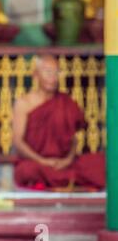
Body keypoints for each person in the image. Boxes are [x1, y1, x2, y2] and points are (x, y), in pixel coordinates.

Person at [12, 54, 105, 191]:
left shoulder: (65, 102)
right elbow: (18, 142)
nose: (53, 77)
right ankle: (66, 181)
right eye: (48, 72)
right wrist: (42, 161)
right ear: (36, 75)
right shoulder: (24, 103)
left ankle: (58, 181)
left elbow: (73, 139)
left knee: (101, 163)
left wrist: (67, 160)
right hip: (37, 162)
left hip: (64, 163)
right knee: (26, 171)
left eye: (57, 72)